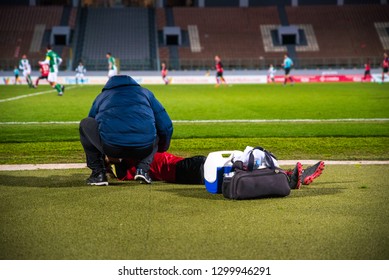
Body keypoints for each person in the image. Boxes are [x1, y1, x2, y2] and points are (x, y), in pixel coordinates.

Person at [79, 75, 173, 186]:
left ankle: (98, 173)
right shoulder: (146, 93)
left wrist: (104, 153)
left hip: (112, 148)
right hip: (144, 149)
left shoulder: (101, 97)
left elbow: (93, 124)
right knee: (156, 129)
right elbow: (166, 126)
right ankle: (143, 169)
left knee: (85, 123)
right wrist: (160, 149)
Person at [106, 151, 325, 190]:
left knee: (234, 169)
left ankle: (285, 176)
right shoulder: (132, 167)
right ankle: (287, 177)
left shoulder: (134, 163)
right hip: (184, 170)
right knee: (234, 172)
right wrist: (109, 165)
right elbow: (121, 174)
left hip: (188, 166)